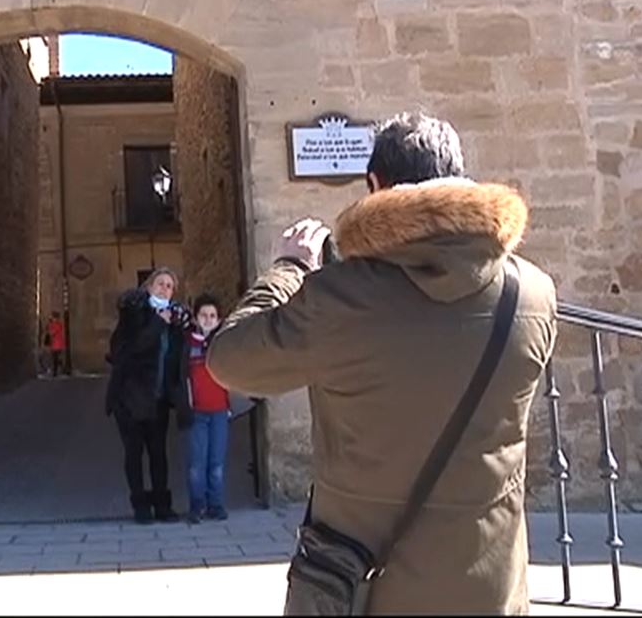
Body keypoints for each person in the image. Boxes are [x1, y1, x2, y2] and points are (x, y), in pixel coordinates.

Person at [207, 112, 557, 614]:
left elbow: (230, 359)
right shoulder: (534, 295)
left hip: (363, 588)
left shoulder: (340, 299)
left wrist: (290, 270)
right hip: (489, 588)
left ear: (376, 186)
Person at [104, 268, 192, 524]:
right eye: (161, 284)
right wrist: (158, 323)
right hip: (130, 399)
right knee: (134, 452)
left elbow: (178, 357)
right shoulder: (134, 314)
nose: (165, 289)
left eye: (170, 286)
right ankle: (140, 505)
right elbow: (130, 349)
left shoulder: (174, 320)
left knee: (158, 453)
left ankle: (162, 505)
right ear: (149, 287)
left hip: (158, 398)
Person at [181, 294, 231, 524]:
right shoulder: (188, 343)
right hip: (197, 412)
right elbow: (182, 376)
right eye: (204, 315)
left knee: (216, 462)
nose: (208, 319)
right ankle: (197, 505)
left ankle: (216, 504)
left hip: (220, 411)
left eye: (212, 315)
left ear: (219, 319)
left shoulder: (224, 343)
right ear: (196, 317)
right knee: (196, 463)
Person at [44, 312, 66, 377]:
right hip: (54, 344)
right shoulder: (53, 324)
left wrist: (49, 329)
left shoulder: (57, 325)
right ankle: (59, 369)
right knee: (55, 358)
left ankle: (56, 371)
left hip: (57, 344)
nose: (52, 319)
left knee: (55, 358)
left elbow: (52, 332)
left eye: (53, 317)